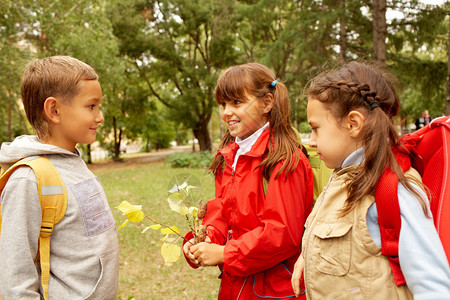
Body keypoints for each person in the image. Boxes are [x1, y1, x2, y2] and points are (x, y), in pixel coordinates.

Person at [291, 62, 450, 299]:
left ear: (353, 124)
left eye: (315, 129)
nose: (311, 142)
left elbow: (434, 288)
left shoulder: (393, 189)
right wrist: (308, 256)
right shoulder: (341, 176)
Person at [183, 63, 314, 299]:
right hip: (236, 286)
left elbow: (282, 234)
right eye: (223, 104)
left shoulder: (283, 159)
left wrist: (225, 254)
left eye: (236, 102)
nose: (226, 112)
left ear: (267, 103)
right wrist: (204, 239)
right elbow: (223, 212)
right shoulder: (229, 157)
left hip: (274, 289)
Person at [0, 56, 119, 299]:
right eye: (91, 106)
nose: (100, 116)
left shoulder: (72, 161)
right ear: (54, 110)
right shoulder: (28, 180)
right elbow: (14, 282)